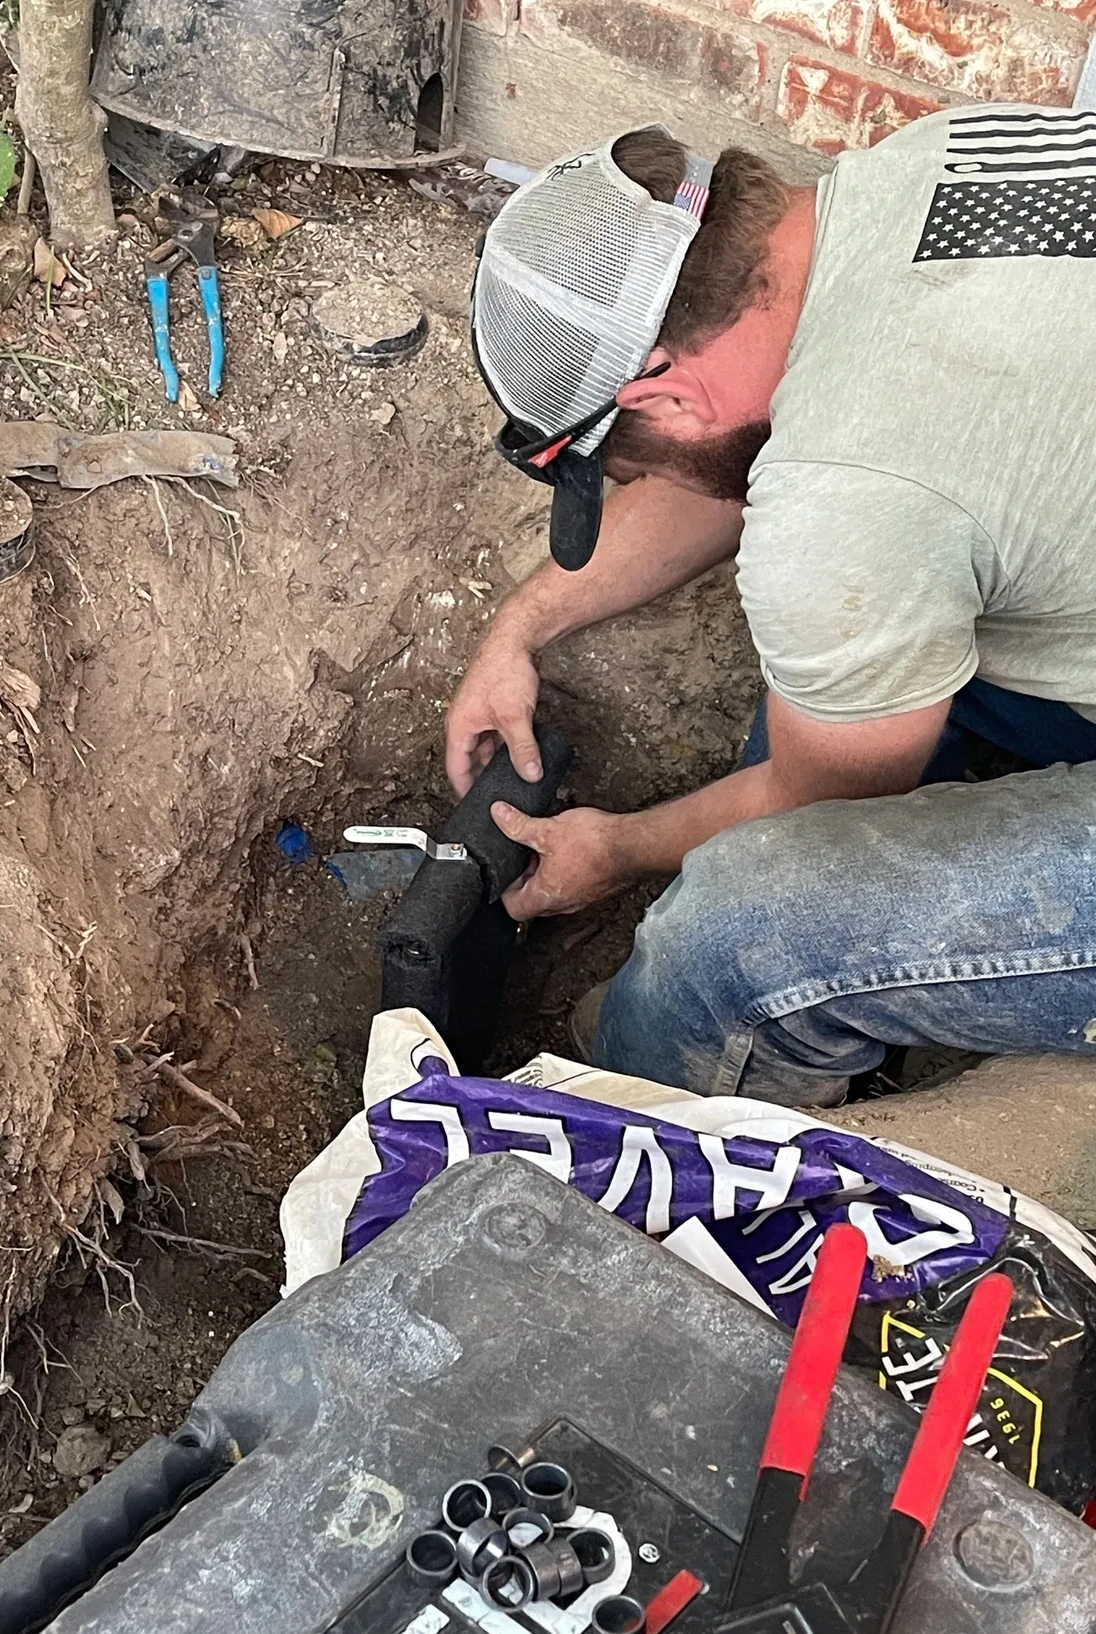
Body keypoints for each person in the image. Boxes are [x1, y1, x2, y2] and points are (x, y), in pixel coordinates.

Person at [446, 109, 1096, 1106]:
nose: (645, 478)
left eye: (632, 458)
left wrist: (615, 850)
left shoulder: (846, 499)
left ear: (658, 393)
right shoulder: (919, 166)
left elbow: (830, 797)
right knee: (845, 675)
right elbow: (748, 463)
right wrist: (519, 629)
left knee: (731, 938)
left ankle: (650, 1136)